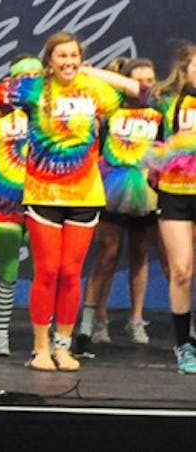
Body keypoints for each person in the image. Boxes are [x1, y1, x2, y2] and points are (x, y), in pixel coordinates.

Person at [0, 31, 145, 372]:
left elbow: (140, 92)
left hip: (85, 194)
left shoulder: (94, 89)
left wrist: (92, 71)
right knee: (47, 271)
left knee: (71, 273)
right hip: (43, 192)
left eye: (74, 56)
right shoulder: (33, 88)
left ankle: (63, 346)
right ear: (50, 61)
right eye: (62, 56)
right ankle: (40, 348)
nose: (68, 62)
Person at [76, 57, 162, 354]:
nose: (145, 85)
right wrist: (86, 72)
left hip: (146, 187)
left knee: (140, 252)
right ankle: (97, 319)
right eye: (140, 79)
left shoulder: (158, 110)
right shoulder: (111, 109)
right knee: (107, 254)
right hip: (113, 184)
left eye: (151, 79)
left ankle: (136, 318)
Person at [0, 53, 41, 356]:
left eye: (35, 75)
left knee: (44, 272)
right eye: (22, 76)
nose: (29, 81)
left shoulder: (52, 114)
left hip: (42, 197)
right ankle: (0, 336)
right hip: (4, 198)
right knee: (7, 268)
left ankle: (42, 339)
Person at [145, 43, 196, 373]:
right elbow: (131, 88)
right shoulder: (168, 102)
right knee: (181, 270)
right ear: (185, 68)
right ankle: (184, 345)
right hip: (176, 193)